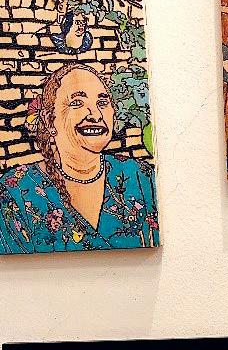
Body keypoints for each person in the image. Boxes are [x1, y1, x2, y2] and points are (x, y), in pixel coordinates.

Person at [0, 63, 159, 254]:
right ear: (49, 120)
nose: (96, 115)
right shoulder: (16, 190)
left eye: (102, 102)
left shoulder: (141, 176)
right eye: (77, 103)